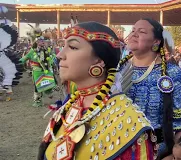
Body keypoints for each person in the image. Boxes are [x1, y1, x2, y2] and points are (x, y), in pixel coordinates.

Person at [38, 22, 156, 160]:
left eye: (73, 47)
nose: (60, 55)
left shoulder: (128, 124)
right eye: (63, 46)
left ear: (99, 60)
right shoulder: (68, 108)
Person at [119, 19, 181, 159]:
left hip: (158, 152)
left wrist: (174, 156)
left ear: (156, 42)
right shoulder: (118, 70)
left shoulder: (173, 73)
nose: (134, 34)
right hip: (119, 149)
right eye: (133, 30)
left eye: (141, 32)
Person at [20, 35, 57, 107]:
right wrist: (17, 63)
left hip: (46, 71)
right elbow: (25, 58)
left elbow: (53, 56)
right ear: (37, 42)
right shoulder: (32, 52)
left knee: (50, 84)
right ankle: (38, 101)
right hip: (37, 72)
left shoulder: (47, 50)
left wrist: (54, 58)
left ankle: (48, 92)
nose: (43, 42)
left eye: (43, 41)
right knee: (37, 88)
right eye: (41, 41)